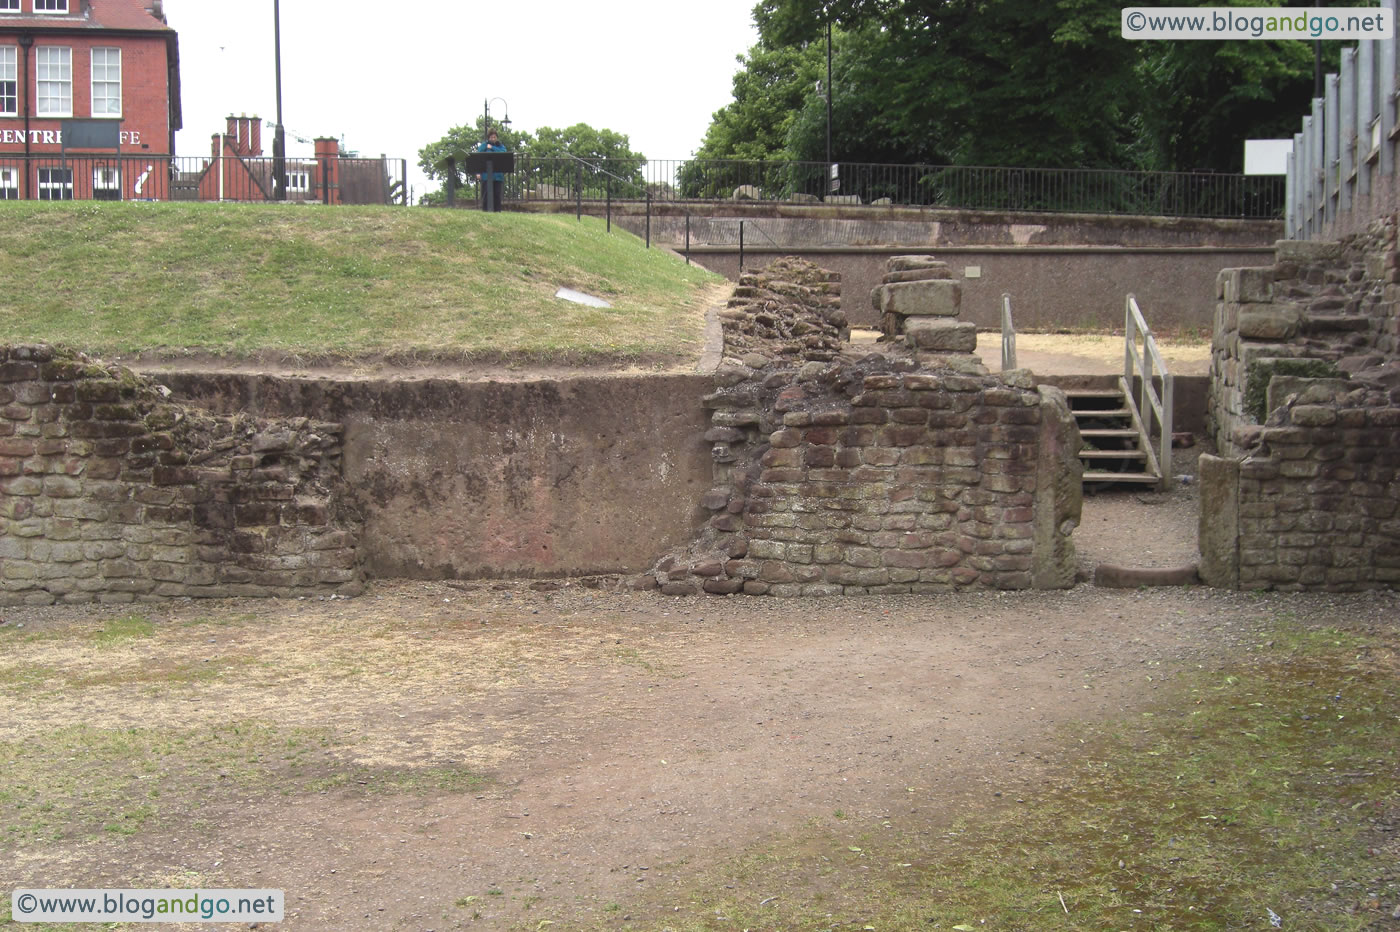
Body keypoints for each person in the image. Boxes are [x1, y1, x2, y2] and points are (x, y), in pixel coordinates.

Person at [476, 129, 507, 212]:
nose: (493, 139)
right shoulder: (484, 146)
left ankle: (497, 211)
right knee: (486, 194)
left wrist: (492, 148)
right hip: (486, 175)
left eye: (494, 137)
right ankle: (486, 210)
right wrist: (478, 172)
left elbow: (504, 153)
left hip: (497, 176)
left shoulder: (500, 146)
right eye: (491, 137)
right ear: (489, 138)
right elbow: (478, 158)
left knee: (497, 194)